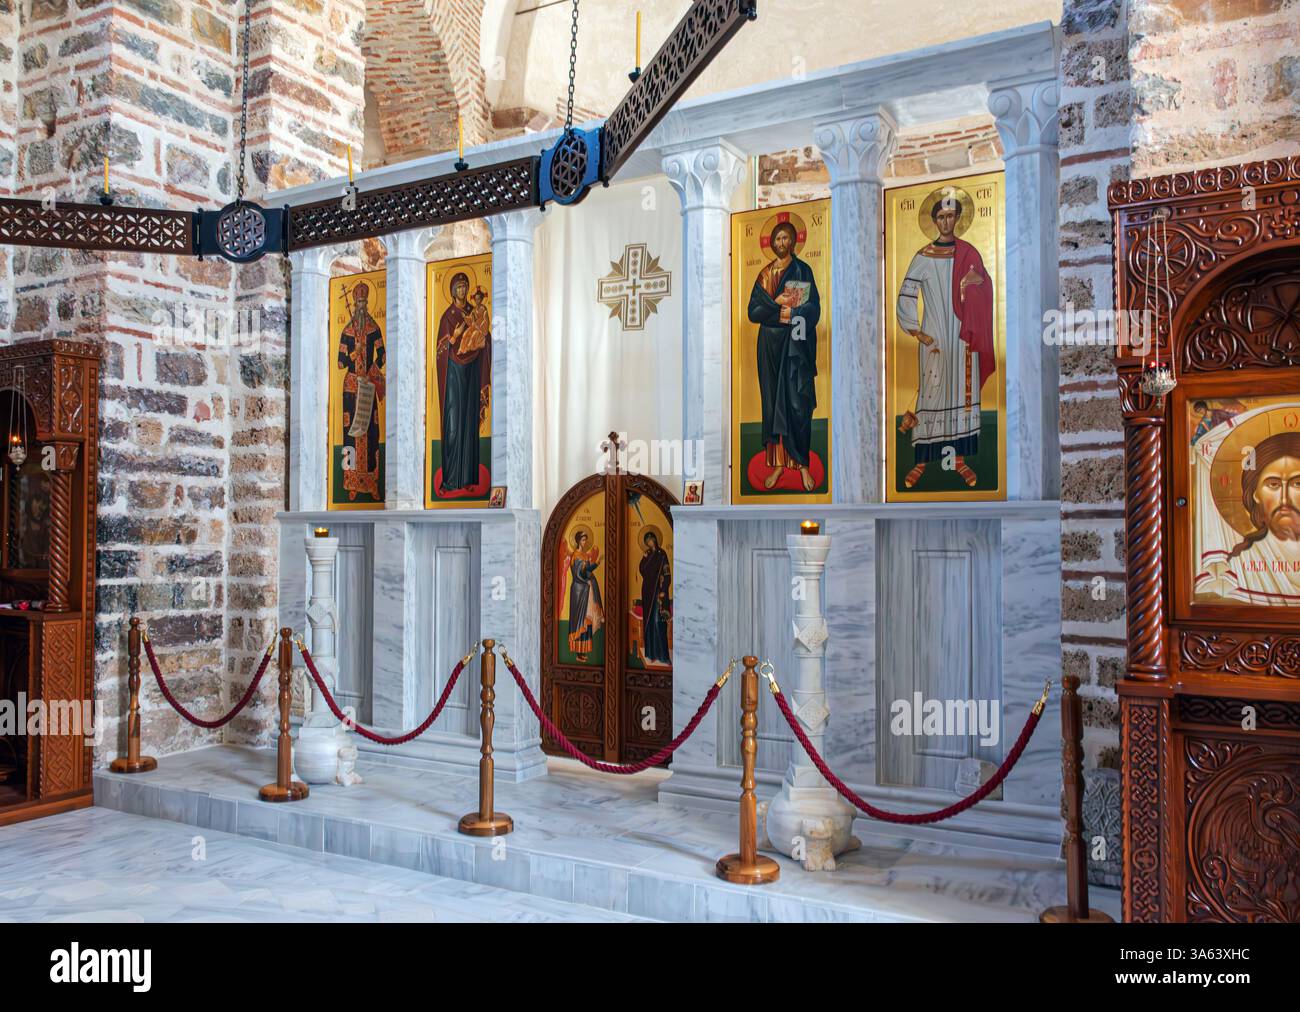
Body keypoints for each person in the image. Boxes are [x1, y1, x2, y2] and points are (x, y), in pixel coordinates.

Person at [895, 194, 994, 489]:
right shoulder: (923, 256)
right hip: (935, 335)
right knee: (932, 392)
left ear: (958, 219)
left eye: (952, 216)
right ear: (935, 220)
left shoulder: (969, 253)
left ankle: (960, 460)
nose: (946, 221)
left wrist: (971, 287)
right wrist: (916, 331)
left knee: (962, 395)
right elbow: (906, 294)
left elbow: (985, 287)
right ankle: (922, 462)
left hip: (964, 335)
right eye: (941, 216)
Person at [747, 220, 822, 492]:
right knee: (772, 403)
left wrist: (791, 314)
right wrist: (777, 307)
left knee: (796, 402)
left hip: (794, 346)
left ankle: (801, 464)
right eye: (776, 239)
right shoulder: (765, 274)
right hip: (769, 345)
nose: (781, 243)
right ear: (771, 243)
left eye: (785, 238)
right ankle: (778, 464)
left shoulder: (803, 270)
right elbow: (753, 312)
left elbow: (813, 309)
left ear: (793, 242)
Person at [435, 272, 491, 492]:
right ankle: (450, 480)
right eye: (458, 287)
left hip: (472, 369)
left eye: (465, 287)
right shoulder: (447, 316)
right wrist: (455, 336)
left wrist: (483, 340)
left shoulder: (474, 312)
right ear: (452, 290)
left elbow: (484, 335)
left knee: (469, 422)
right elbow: (440, 350)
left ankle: (468, 479)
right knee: (453, 421)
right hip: (453, 373)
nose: (462, 291)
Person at [337, 281, 385, 500]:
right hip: (351, 387)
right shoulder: (347, 332)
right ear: (354, 304)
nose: (362, 305)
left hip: (367, 386)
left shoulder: (374, 329)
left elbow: (383, 356)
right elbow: (340, 363)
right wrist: (354, 355)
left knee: (371, 433)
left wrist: (373, 370)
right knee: (351, 435)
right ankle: (352, 482)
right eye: (359, 302)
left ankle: (372, 483)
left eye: (365, 301)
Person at [638, 531, 671, 666]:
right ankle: (651, 654)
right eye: (647, 542)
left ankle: (663, 655)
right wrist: (644, 558)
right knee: (650, 624)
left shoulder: (662, 555)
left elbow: (667, 574)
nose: (649, 543)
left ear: (655, 540)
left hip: (658, 594)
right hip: (647, 592)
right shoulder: (648, 555)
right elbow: (642, 571)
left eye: (651, 540)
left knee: (659, 623)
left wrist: (663, 590)